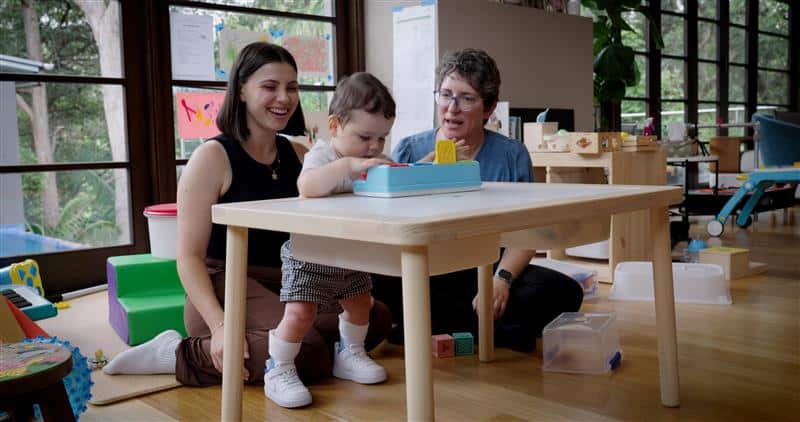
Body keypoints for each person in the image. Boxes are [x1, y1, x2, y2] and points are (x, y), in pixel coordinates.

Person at [102, 43, 392, 389]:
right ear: (241, 90)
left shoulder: (299, 154)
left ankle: (298, 349)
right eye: (270, 86)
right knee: (305, 350)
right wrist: (219, 325)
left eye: (292, 87)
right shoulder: (212, 157)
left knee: (376, 316)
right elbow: (189, 258)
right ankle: (179, 352)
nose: (284, 98)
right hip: (226, 282)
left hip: (288, 279)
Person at [371, 48, 584, 352]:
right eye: (445, 95)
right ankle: (495, 333)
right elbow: (389, 223)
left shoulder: (511, 154)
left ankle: (424, 328)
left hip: (485, 267)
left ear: (489, 108)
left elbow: (527, 232)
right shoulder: (410, 150)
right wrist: (427, 169)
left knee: (565, 292)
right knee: (373, 279)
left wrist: (502, 280)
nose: (452, 108)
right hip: (425, 268)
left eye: (466, 98)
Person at [264, 72, 395, 408]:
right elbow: (307, 186)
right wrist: (347, 165)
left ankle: (350, 353)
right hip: (310, 254)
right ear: (334, 126)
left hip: (350, 253)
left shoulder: (370, 161)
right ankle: (278, 368)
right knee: (300, 314)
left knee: (361, 305)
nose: (374, 147)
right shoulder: (323, 155)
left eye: (381, 138)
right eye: (364, 136)